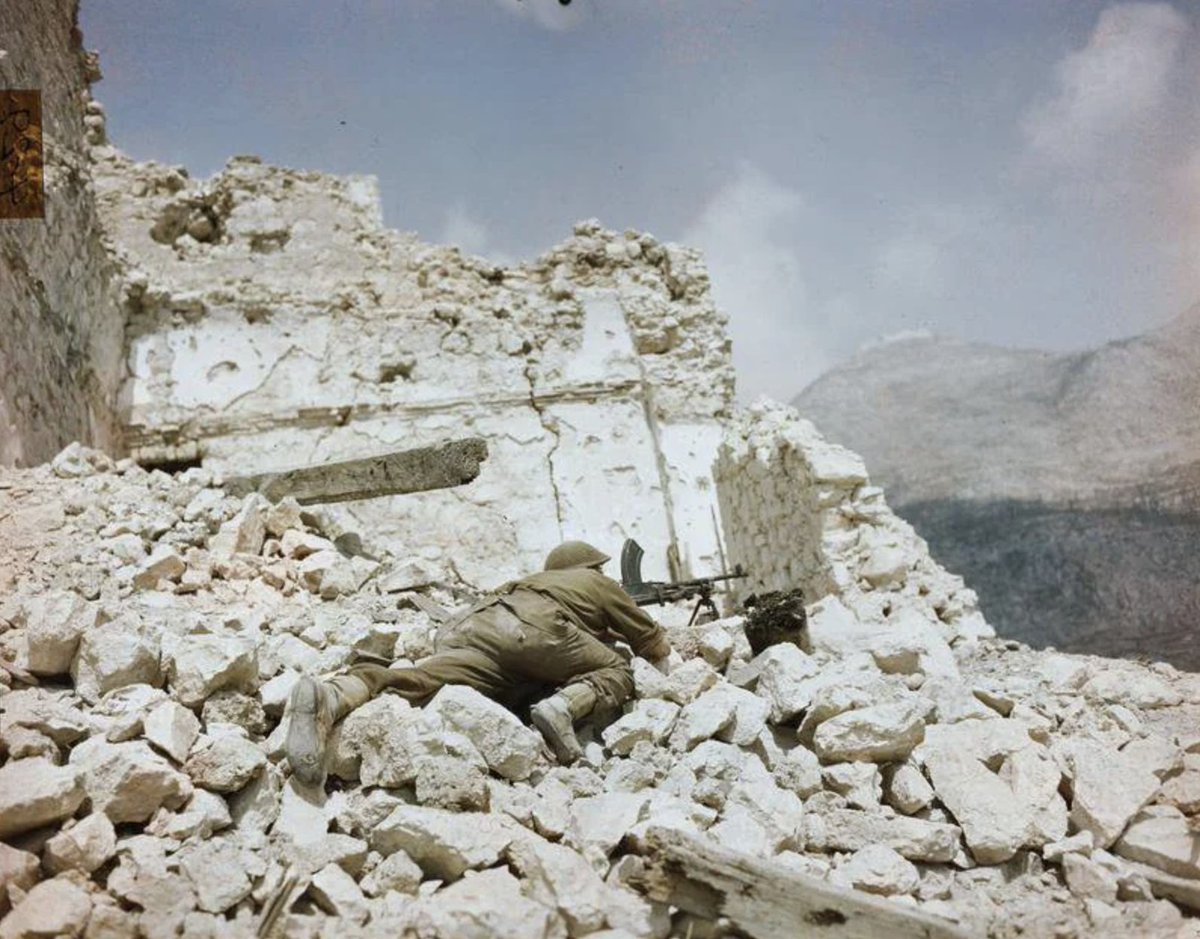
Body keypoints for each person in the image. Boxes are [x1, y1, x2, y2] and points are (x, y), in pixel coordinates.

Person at [285, 540, 672, 786]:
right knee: (616, 668)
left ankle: (334, 695)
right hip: (532, 630)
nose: (603, 574)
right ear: (589, 567)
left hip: (471, 627)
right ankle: (561, 708)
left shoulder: (527, 582)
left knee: (418, 679)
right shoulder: (593, 582)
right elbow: (652, 645)